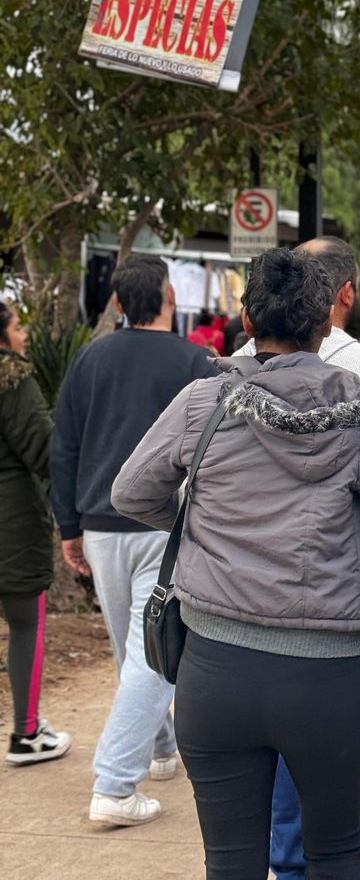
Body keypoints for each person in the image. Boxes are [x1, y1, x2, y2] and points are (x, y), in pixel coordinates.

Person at [112, 247, 360, 880]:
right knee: (335, 857)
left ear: (246, 315)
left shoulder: (204, 401)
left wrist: (204, 526)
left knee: (229, 879)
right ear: (326, 322)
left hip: (216, 671)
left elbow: (130, 491)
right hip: (329, 676)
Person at [235, 237, 360, 880]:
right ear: (342, 295)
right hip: (357, 583)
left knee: (278, 726)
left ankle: (290, 873)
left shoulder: (230, 374)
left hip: (249, 593)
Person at [50, 255, 219, 826]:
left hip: (99, 523)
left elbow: (65, 445)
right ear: (170, 296)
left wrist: (68, 527)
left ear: (118, 304)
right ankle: (115, 784)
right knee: (150, 652)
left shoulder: (89, 358)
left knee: (136, 649)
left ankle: (161, 749)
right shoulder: (197, 361)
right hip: (165, 524)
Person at [0, 301, 70, 765]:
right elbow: (42, 450)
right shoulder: (12, 378)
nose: (25, 333)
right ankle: (25, 735)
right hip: (12, 522)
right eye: (18, 325)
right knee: (26, 623)